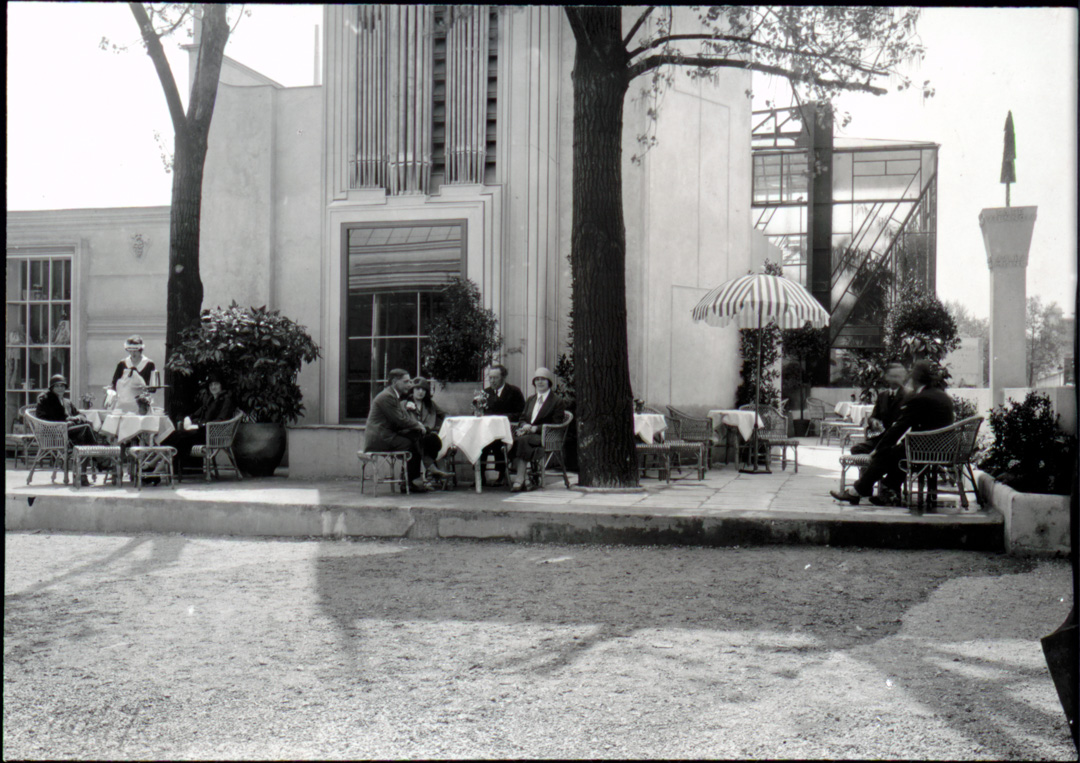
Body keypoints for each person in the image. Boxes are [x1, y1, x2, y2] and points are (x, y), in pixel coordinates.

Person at [831, 359, 955, 508]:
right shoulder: (941, 395)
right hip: (943, 448)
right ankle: (888, 492)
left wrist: (877, 450)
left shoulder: (920, 398)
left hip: (926, 450)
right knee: (895, 453)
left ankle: (857, 491)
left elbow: (899, 428)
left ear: (915, 380)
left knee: (885, 454)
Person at [364, 369, 429, 494]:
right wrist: (418, 425)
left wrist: (414, 427)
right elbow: (399, 420)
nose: (409, 385)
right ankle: (410, 482)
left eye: (410, 381)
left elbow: (398, 420)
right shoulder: (387, 397)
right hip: (380, 438)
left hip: (385, 434)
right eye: (406, 382)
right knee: (411, 444)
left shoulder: (392, 395)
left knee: (415, 438)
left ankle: (409, 481)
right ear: (394, 382)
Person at [34, 374, 101, 484]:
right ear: (52, 388)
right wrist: (65, 422)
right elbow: (44, 419)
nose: (60, 388)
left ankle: (82, 474)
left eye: (62, 386)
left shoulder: (67, 402)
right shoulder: (46, 400)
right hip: (55, 434)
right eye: (57, 386)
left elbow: (81, 415)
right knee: (86, 429)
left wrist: (74, 419)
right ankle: (97, 462)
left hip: (71, 433)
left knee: (86, 431)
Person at [508, 367, 566, 492]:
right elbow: (522, 418)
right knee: (512, 440)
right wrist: (524, 425)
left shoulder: (556, 401)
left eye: (543, 380)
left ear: (549, 382)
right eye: (537, 380)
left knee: (522, 441)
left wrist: (536, 428)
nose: (540, 382)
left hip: (545, 436)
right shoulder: (531, 399)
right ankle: (525, 479)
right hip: (528, 435)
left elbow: (556, 422)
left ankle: (520, 480)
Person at [162, 373, 237, 464]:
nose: (213, 387)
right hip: (202, 432)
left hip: (212, 435)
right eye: (211, 385)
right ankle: (155, 465)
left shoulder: (226, 400)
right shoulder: (210, 400)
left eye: (216, 384)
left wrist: (201, 425)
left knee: (180, 440)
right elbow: (195, 414)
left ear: (221, 385)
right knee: (173, 436)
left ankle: (159, 468)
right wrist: (188, 419)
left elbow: (221, 419)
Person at [478, 364, 526, 486]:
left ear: (503, 377)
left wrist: (504, 418)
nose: (492, 381)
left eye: (496, 378)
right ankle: (480, 475)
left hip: (507, 430)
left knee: (498, 442)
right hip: (488, 431)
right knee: (479, 441)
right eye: (490, 378)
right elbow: (479, 411)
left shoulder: (514, 392)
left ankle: (501, 474)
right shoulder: (485, 393)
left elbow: (522, 413)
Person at [849, 361, 909, 455]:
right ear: (887, 377)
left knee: (885, 454)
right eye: (892, 376)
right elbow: (873, 417)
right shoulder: (882, 396)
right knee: (856, 449)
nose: (895, 379)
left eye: (898, 376)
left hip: (899, 441)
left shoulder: (909, 396)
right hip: (881, 439)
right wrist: (874, 422)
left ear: (903, 378)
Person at [404, 377, 455, 485]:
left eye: (423, 389)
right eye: (417, 389)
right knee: (421, 441)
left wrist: (448, 422)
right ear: (412, 390)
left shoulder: (430, 404)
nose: (420, 392)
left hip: (428, 436)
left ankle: (430, 471)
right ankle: (433, 469)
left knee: (432, 441)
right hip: (412, 435)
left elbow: (444, 414)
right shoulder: (405, 404)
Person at [110, 335, 156, 413]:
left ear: (140, 350)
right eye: (130, 351)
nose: (132, 353)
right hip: (123, 404)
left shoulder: (149, 364)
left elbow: (153, 387)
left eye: (135, 351)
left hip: (142, 404)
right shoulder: (122, 364)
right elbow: (114, 383)